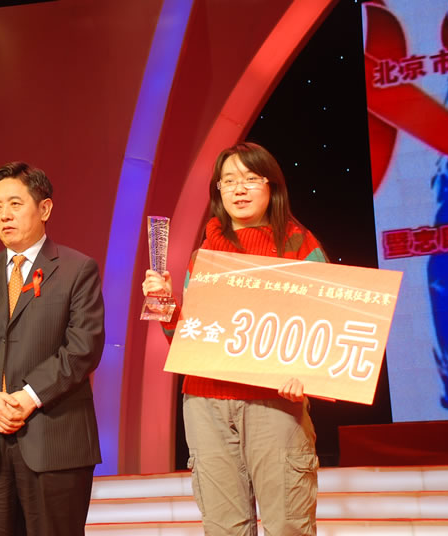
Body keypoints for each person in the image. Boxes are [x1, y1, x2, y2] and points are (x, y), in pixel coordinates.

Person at [142, 142, 325, 536]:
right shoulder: (204, 254)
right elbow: (189, 340)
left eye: (250, 178)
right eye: (228, 181)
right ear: (218, 191)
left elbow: (327, 326)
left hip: (274, 402)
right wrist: (165, 305)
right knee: (224, 528)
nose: (239, 189)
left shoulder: (300, 245)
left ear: (272, 186)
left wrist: (307, 374)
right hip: (205, 404)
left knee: (288, 525)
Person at [0, 162, 105, 536]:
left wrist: (28, 397)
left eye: (15, 204)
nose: (4, 215)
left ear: (44, 208)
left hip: (55, 440)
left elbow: (83, 346)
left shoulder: (77, 269)